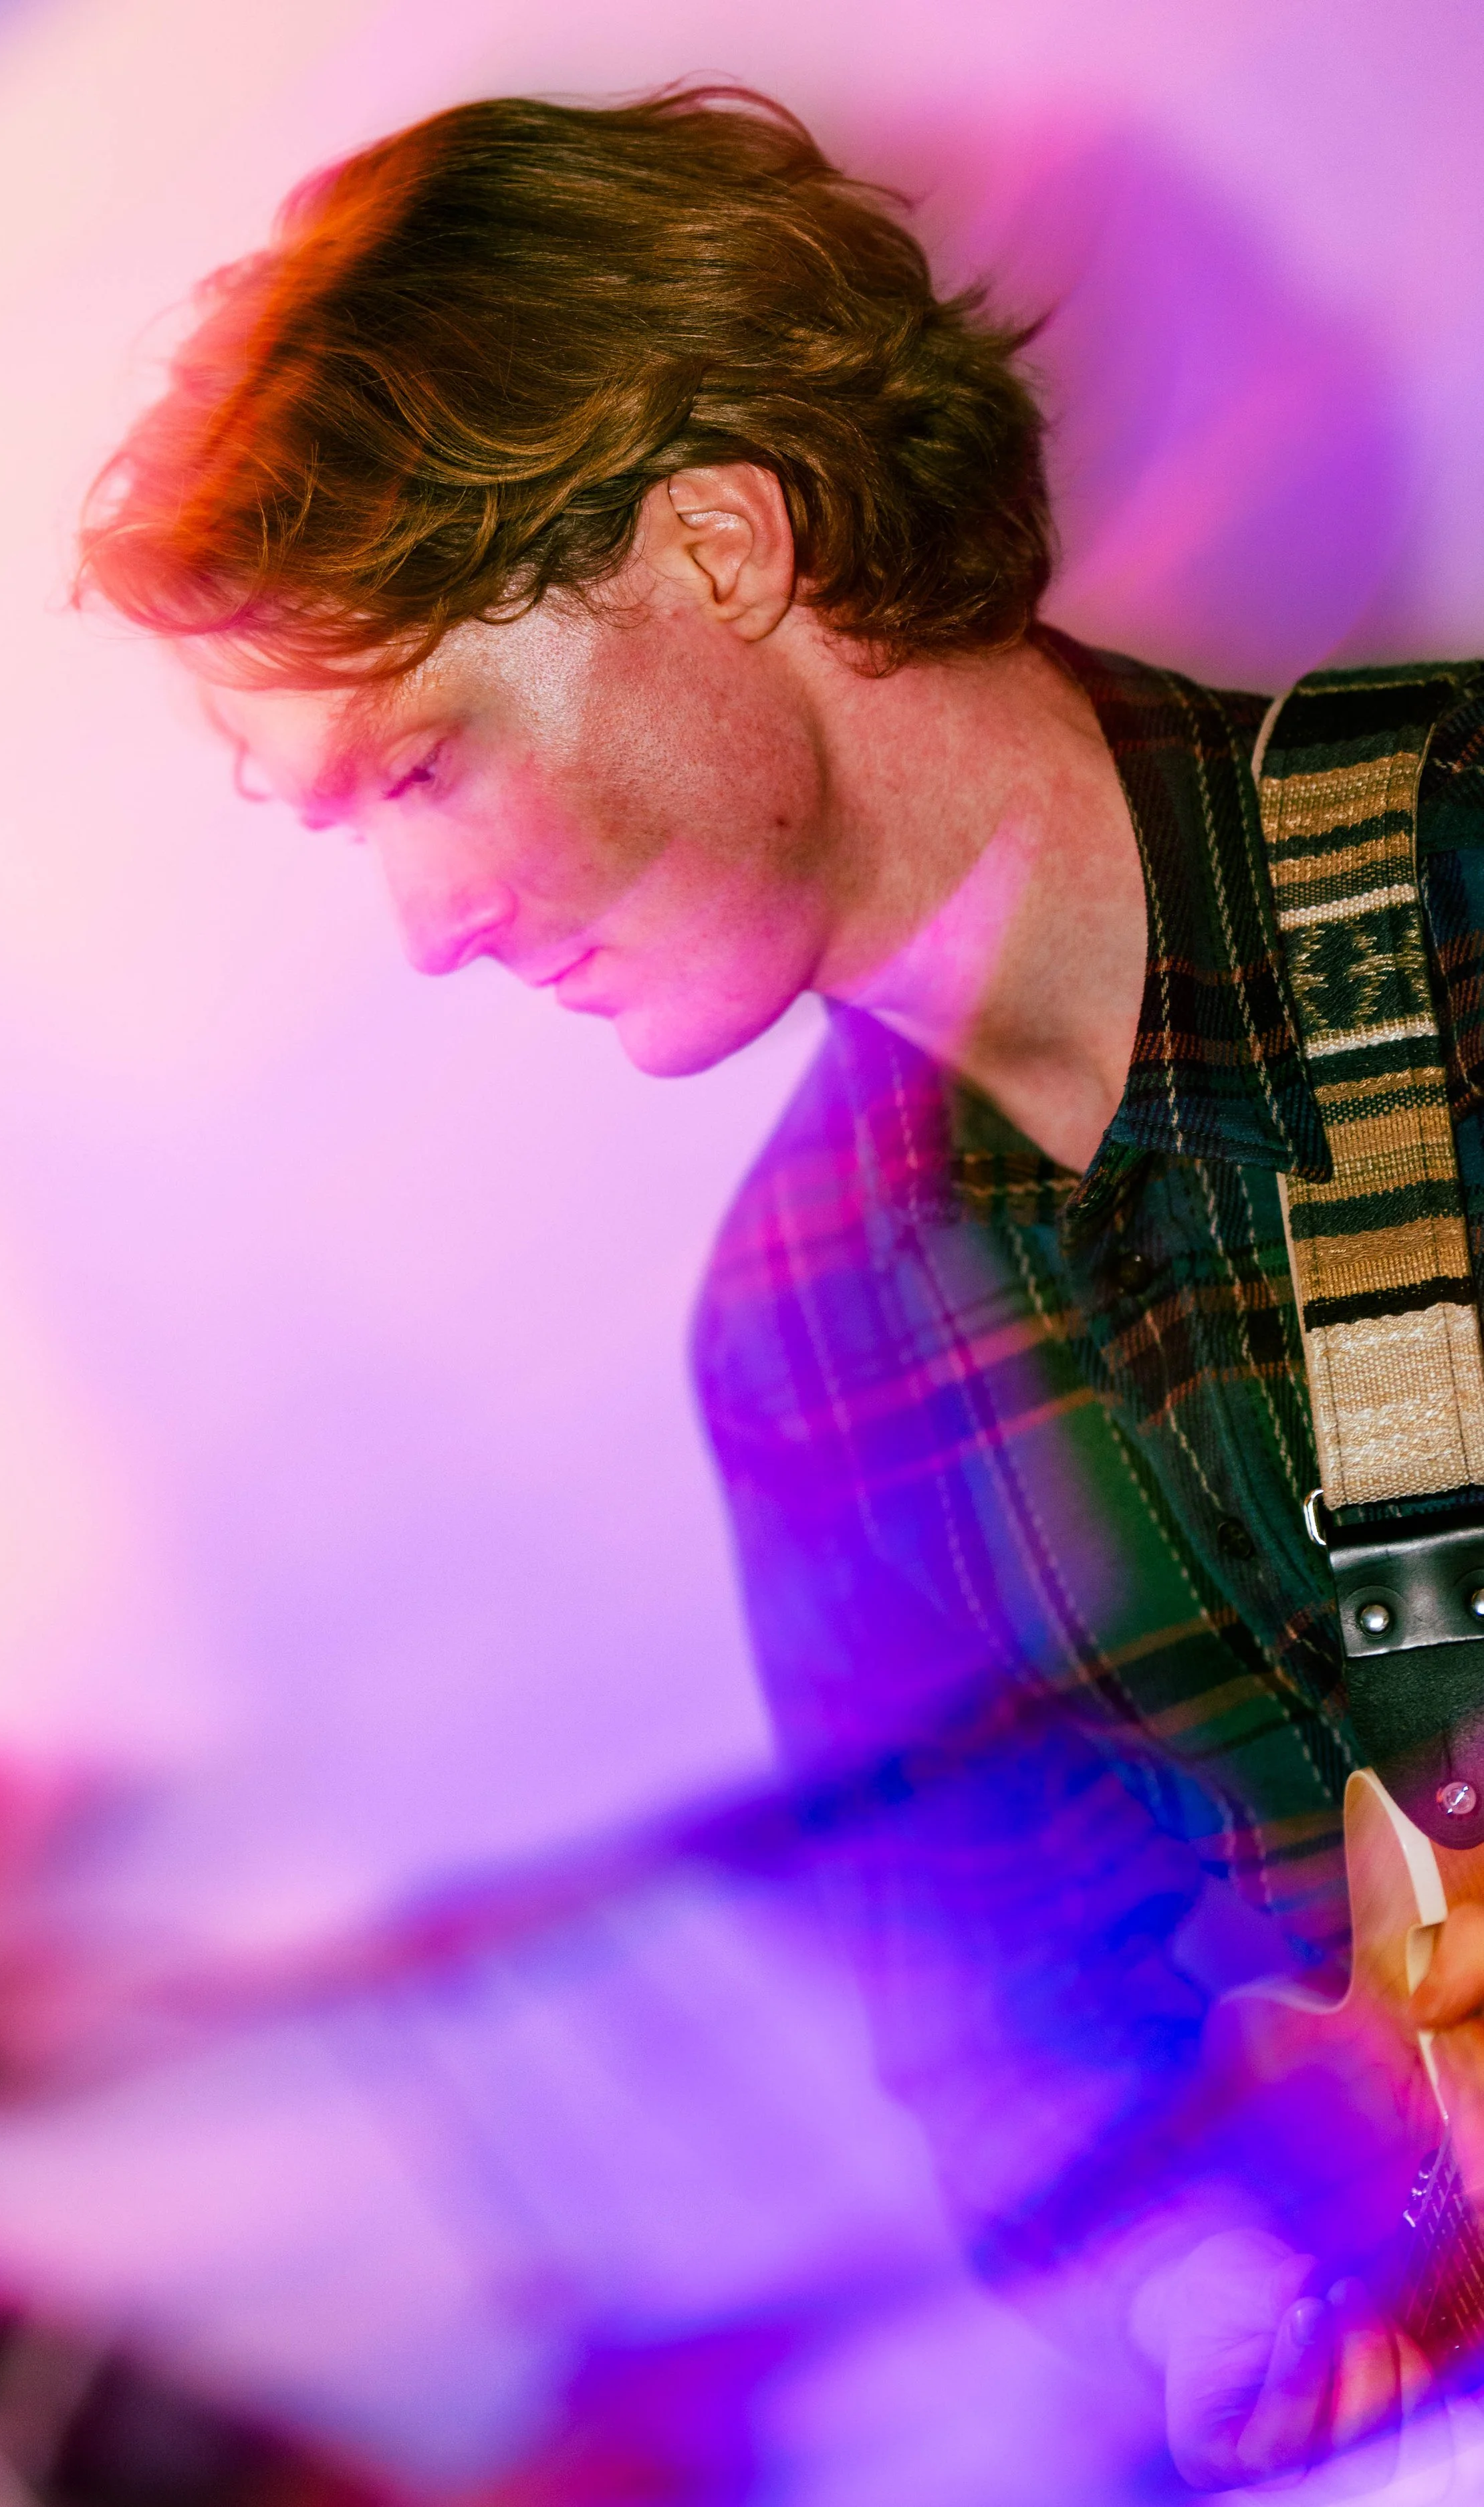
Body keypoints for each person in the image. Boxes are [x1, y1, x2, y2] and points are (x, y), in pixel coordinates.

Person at [74, 84, 1484, 2486]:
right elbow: (1018, 2086)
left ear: (721, 544)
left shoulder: (1444, 877)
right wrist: (1239, 2285)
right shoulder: (804, 1333)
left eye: (420, 769)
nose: (425, 931)